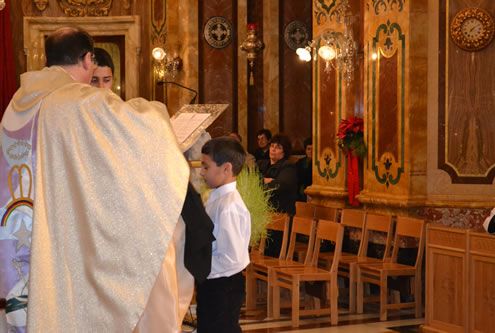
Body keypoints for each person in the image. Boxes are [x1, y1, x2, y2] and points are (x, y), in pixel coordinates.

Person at [0, 26, 213, 333]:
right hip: (60, 241)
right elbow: (143, 128)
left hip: (20, 235)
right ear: (88, 60)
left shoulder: (19, 104)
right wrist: (158, 112)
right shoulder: (78, 101)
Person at [197, 137, 251, 332]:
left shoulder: (229, 206)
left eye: (206, 167)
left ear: (226, 168)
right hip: (212, 281)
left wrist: (198, 267)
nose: (202, 173)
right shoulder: (216, 197)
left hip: (223, 285)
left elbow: (231, 257)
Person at [257, 133, 297, 257]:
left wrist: (267, 182)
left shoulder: (288, 167)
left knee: (273, 252)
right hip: (264, 215)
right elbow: (252, 182)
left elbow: (280, 185)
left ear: (284, 152)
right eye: (272, 146)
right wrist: (266, 181)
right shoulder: (262, 164)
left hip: (281, 215)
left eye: (278, 147)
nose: (273, 149)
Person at [296, 137, 312, 202]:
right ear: (305, 150)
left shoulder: (319, 164)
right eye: (309, 149)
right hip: (299, 193)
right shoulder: (299, 162)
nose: (311, 151)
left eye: (313, 149)